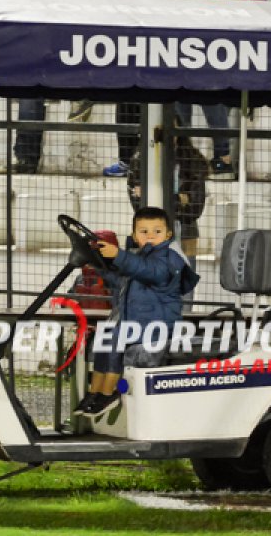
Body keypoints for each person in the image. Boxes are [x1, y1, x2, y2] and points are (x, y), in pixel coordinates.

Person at [73, 207, 200, 416]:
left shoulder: (170, 258)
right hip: (136, 323)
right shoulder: (139, 258)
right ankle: (94, 392)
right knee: (104, 337)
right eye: (144, 231)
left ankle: (109, 392)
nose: (150, 236)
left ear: (168, 234)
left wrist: (118, 255)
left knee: (115, 339)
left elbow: (151, 272)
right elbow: (122, 281)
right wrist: (98, 265)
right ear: (134, 236)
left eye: (157, 231)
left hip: (158, 326)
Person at [127, 130, 208, 274]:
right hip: (149, 233)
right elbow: (138, 202)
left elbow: (195, 206)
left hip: (185, 230)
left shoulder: (192, 160)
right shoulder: (139, 160)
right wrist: (179, 198)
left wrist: (154, 196)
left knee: (184, 282)